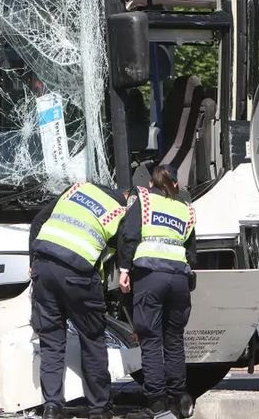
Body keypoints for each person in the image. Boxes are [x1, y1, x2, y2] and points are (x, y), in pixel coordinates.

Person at [30, 182, 127, 419]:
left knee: (51, 341)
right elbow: (126, 251)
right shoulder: (120, 211)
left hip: (43, 265)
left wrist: (32, 261)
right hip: (78, 274)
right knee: (92, 339)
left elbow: (37, 221)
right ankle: (99, 408)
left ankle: (52, 406)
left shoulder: (78, 189)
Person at [118, 165, 197, 419]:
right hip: (178, 279)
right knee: (173, 338)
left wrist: (123, 269)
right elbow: (191, 251)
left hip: (150, 276)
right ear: (175, 184)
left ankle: (156, 401)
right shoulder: (185, 209)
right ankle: (180, 397)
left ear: (151, 184)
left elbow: (129, 235)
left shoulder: (144, 200)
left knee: (151, 339)